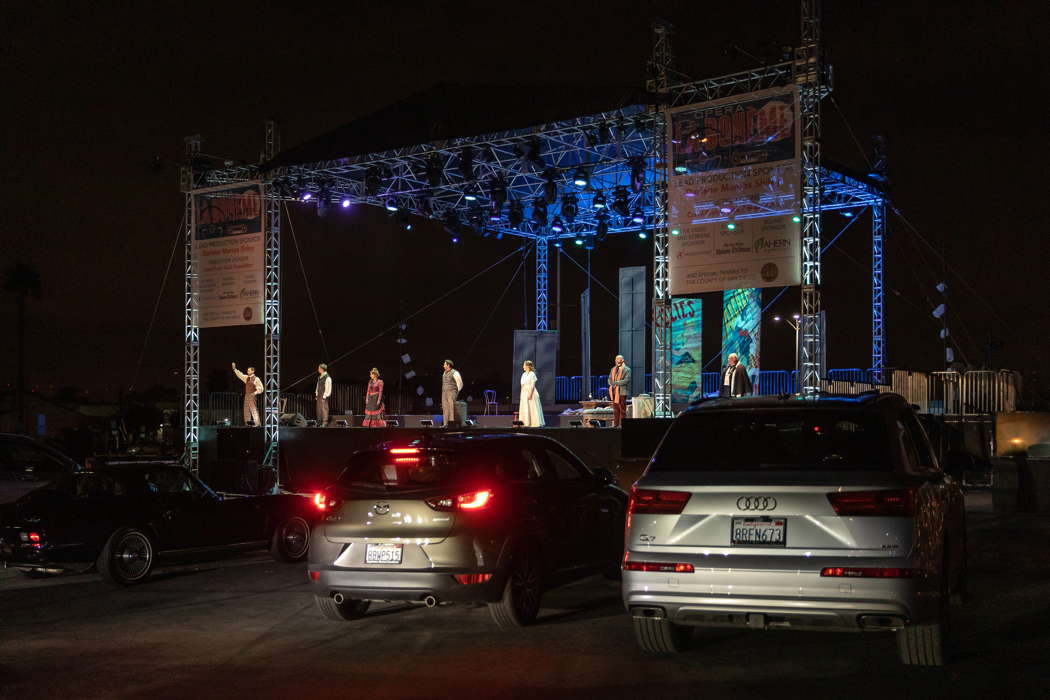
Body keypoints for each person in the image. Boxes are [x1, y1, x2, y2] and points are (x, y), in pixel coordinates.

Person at [518, 360, 545, 427]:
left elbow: (533, 385)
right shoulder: (523, 374)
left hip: (531, 392)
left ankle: (534, 423)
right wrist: (521, 394)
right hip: (524, 392)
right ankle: (526, 423)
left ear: (527, 366)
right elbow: (522, 385)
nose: (523, 367)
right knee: (525, 407)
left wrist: (530, 394)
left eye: (524, 365)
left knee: (532, 408)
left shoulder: (532, 374)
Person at [608, 355, 631, 427]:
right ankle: (616, 425)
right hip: (614, 391)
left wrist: (616, 383)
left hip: (622, 392)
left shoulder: (627, 369)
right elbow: (609, 379)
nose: (618, 361)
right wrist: (611, 383)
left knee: (622, 410)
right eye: (616, 359)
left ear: (622, 360)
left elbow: (627, 380)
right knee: (615, 410)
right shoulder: (613, 369)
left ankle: (623, 425)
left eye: (619, 359)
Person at [441, 359, 463, 428]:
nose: (443, 366)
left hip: (452, 392)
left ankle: (451, 424)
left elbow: (460, 383)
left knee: (451, 408)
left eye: (445, 364)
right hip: (444, 392)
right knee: (445, 408)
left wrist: (456, 393)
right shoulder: (444, 373)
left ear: (448, 365)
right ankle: (445, 424)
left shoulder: (455, 373)